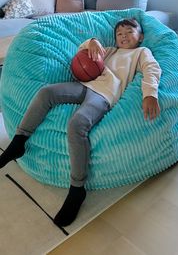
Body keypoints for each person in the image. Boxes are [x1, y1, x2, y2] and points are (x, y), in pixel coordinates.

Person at [0, 18, 162, 227]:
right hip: (85, 84)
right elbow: (83, 51)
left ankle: (77, 189)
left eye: (129, 32)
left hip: (104, 95)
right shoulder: (110, 50)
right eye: (119, 33)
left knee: (76, 124)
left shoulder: (141, 52)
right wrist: (92, 41)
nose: (123, 35)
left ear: (140, 37)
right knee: (46, 92)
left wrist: (150, 94)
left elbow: (152, 69)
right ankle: (18, 142)